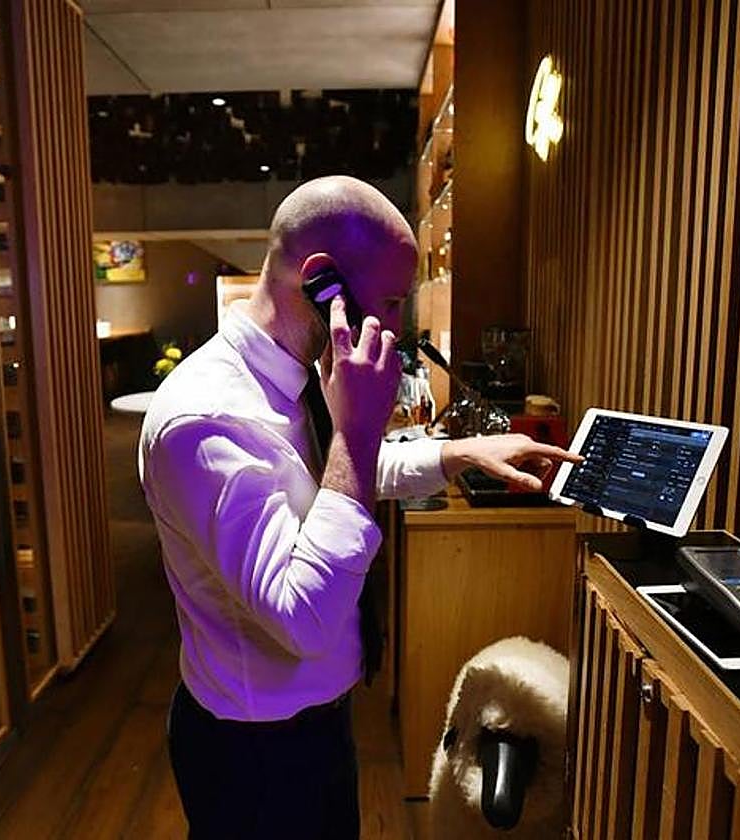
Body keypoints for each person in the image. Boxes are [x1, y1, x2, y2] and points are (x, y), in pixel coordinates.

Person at [138, 175, 581, 839]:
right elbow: (303, 615)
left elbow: (326, 485)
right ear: (323, 281)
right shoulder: (208, 421)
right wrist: (355, 430)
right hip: (258, 756)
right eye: (393, 301)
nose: (397, 328)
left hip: (312, 727)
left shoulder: (291, 377)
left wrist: (459, 453)